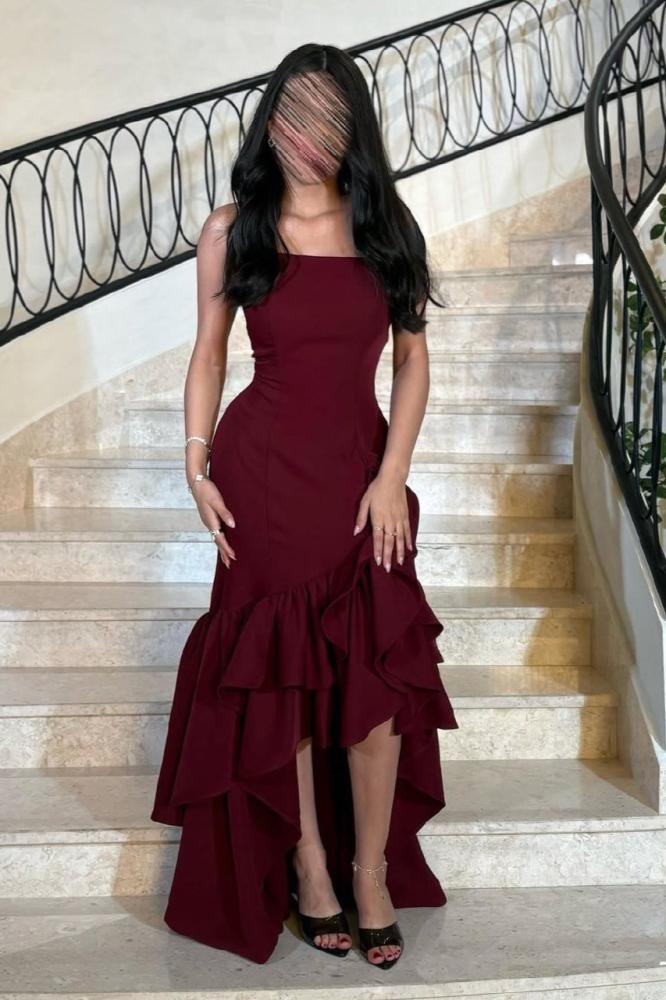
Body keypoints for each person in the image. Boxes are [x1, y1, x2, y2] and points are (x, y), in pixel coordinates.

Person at [150, 41, 459, 969]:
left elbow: (412, 360)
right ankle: (312, 867)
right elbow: (210, 354)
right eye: (293, 112)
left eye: (328, 115)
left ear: (352, 125)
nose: (308, 133)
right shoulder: (233, 227)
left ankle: (372, 873)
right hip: (262, 474)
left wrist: (392, 474)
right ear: (270, 122)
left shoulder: (385, 224)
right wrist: (197, 466)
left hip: (361, 474)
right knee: (280, 680)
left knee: (375, 690)